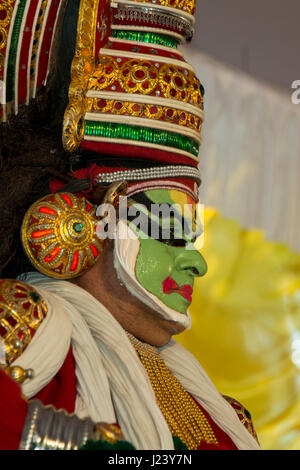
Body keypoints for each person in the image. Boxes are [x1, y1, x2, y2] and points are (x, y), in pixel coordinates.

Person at [0, 0, 260, 450]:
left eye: (190, 239)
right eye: (168, 230)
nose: (196, 263)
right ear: (79, 222)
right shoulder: (19, 327)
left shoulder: (221, 413)